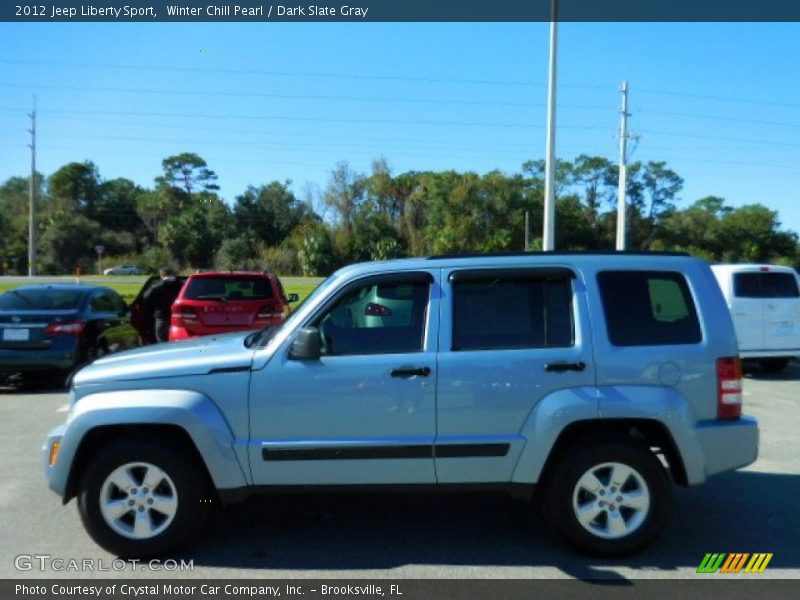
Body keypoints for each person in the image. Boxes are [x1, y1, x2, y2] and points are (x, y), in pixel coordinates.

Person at [142, 267, 184, 343]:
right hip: (180, 316)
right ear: (173, 274)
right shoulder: (182, 286)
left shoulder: (156, 287)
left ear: (161, 275)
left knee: (162, 340)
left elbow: (145, 297)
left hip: (162, 317)